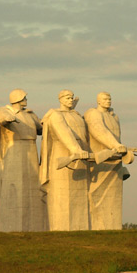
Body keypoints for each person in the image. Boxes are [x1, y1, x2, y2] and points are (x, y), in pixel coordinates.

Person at [0, 89, 47, 232]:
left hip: (31, 150)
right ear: (17, 99)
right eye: (24, 97)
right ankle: (11, 224)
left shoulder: (29, 114)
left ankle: (34, 224)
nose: (26, 100)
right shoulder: (4, 110)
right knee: (15, 185)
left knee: (32, 187)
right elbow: (1, 118)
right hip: (15, 151)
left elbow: (42, 128)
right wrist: (8, 118)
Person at [39, 90, 91, 231]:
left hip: (82, 157)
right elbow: (64, 134)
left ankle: (81, 229)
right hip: (64, 155)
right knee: (63, 197)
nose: (70, 100)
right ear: (60, 99)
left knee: (80, 197)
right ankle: (61, 229)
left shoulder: (76, 116)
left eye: (72, 98)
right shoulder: (55, 115)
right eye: (68, 98)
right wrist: (76, 150)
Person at [84, 92, 131, 230]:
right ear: (98, 101)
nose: (108, 101)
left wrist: (120, 150)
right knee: (97, 194)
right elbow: (99, 131)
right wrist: (115, 146)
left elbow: (118, 137)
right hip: (101, 160)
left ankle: (112, 227)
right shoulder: (93, 114)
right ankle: (97, 227)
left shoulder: (114, 116)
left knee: (114, 197)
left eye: (110, 99)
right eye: (105, 99)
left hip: (115, 160)